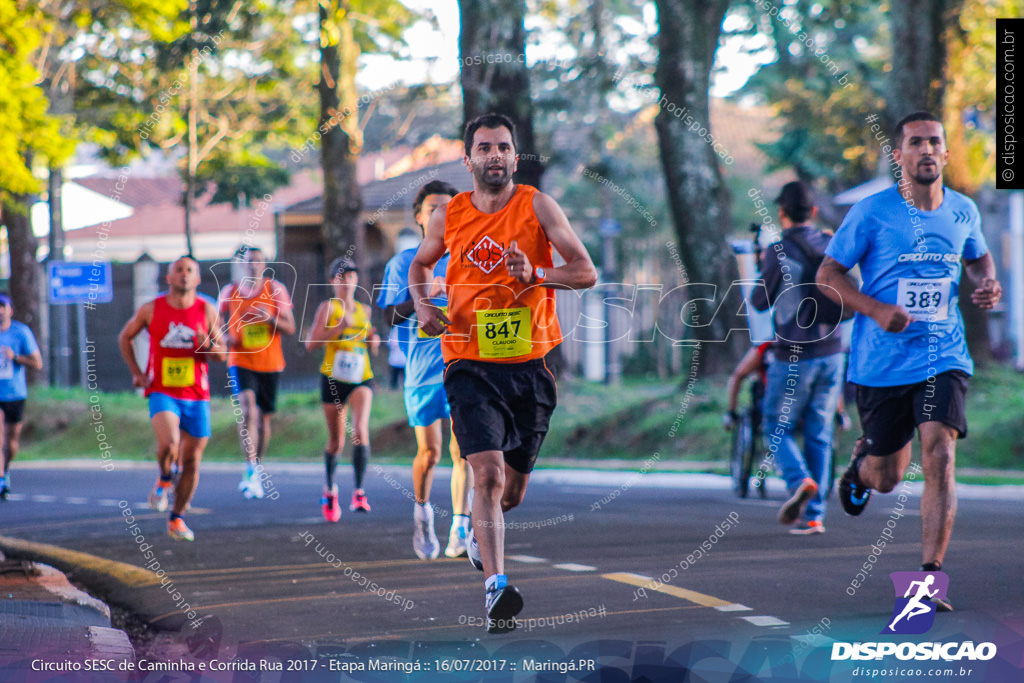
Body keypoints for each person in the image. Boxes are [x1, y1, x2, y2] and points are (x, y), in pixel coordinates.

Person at [410, 113, 597, 633]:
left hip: (529, 367)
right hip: (468, 362)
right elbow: (421, 265)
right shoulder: (449, 214)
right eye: (485, 147)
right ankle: (496, 589)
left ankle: (477, 534)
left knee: (511, 492)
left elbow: (585, 271)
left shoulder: (536, 205)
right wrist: (425, 307)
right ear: (468, 159)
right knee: (485, 474)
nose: (496, 155)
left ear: (515, 157)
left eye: (504, 147)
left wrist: (536, 274)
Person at [818, 111, 1002, 609]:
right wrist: (875, 309)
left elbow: (978, 258)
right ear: (898, 155)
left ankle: (928, 578)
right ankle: (859, 468)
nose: (925, 150)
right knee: (887, 477)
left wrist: (985, 283)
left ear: (945, 153)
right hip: (881, 363)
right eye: (915, 143)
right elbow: (828, 275)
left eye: (933, 143)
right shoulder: (872, 213)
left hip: (944, 353)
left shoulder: (963, 210)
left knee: (940, 451)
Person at [376, 180, 473, 561]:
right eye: (433, 208)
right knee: (430, 453)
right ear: (419, 216)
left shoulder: (467, 255)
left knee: (462, 450)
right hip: (421, 371)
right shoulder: (404, 263)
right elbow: (388, 316)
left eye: (450, 206)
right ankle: (422, 514)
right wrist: (422, 298)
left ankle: (460, 530)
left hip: (463, 364)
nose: (442, 214)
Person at [751, 181, 846, 535]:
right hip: (833, 351)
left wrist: (764, 262)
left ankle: (798, 480)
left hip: (793, 354)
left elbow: (759, 301)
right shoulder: (831, 242)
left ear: (782, 212)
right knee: (819, 433)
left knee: (777, 426)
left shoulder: (778, 249)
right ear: (815, 211)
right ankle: (814, 516)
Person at [118, 256, 226, 541]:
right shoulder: (152, 309)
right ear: (169, 278)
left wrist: (207, 343)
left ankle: (176, 518)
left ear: (198, 278)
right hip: (162, 391)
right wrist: (138, 373)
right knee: (171, 443)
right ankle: (165, 477)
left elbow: (222, 354)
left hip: (197, 395)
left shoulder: (206, 309)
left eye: (190, 270)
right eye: (178, 270)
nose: (184, 275)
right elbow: (125, 337)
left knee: (191, 461)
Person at [305, 256, 380, 522]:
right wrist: (337, 329)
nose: (346, 282)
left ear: (356, 280)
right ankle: (331, 488)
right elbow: (311, 344)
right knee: (337, 440)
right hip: (333, 378)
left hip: (361, 376)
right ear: (332, 281)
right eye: (341, 277)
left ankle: (359, 491)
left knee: (359, 431)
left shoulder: (364, 310)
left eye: (350, 276)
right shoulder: (328, 308)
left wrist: (374, 341)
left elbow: (370, 341)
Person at [218, 246, 295, 499]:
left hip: (270, 362)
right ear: (243, 265)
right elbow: (216, 322)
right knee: (248, 410)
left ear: (264, 265)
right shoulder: (229, 292)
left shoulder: (275, 290)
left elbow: (291, 326)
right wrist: (224, 335)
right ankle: (250, 468)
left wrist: (270, 318)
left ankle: (256, 467)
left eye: (258, 261)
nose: (253, 265)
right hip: (240, 360)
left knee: (263, 420)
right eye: (249, 261)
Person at [0, 293, 42, 500]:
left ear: (10, 310)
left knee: (11, 442)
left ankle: (5, 470)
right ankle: (0, 480)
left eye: (2, 306)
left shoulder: (20, 333)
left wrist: (15, 357)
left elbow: (37, 363)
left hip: (15, 393)